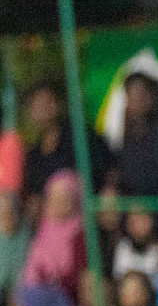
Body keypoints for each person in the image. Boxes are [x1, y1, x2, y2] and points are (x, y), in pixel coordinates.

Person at [19, 82, 108, 219]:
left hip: (86, 216)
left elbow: (104, 170)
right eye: (38, 104)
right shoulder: (34, 155)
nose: (44, 108)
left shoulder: (80, 136)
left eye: (48, 101)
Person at [109, 72, 158, 200]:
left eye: (141, 93)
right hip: (133, 209)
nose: (136, 100)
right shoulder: (125, 140)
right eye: (131, 95)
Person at [22, 170, 88, 299]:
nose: (58, 204)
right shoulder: (43, 230)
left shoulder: (81, 235)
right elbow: (31, 271)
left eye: (64, 199)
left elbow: (76, 277)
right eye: (53, 198)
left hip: (68, 300)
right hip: (38, 297)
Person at [112, 210, 158, 283]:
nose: (139, 226)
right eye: (134, 222)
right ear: (127, 224)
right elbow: (119, 278)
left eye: (143, 221)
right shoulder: (122, 246)